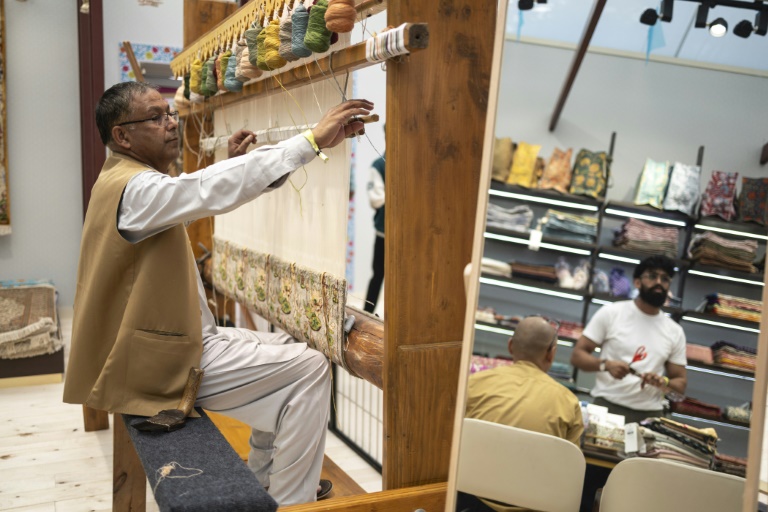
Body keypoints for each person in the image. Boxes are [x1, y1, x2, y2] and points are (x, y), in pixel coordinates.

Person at [62, 81, 373, 506]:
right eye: (156, 117)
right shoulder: (133, 189)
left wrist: (237, 165)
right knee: (309, 368)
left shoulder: (129, 182)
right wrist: (310, 142)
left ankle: (267, 485)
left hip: (168, 346)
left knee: (290, 350)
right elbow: (203, 189)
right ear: (122, 136)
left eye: (170, 112)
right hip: (152, 365)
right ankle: (292, 500)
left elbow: (200, 189)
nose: (171, 123)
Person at [460, 316, 584, 512]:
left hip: (471, 501)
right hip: (533, 505)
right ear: (551, 354)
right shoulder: (568, 402)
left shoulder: (474, 383)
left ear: (510, 346)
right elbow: (570, 469)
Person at [570, 255, 687, 424]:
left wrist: (663, 381)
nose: (659, 283)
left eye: (665, 279)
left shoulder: (675, 331)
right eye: (653, 276)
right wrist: (606, 365)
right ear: (637, 282)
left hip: (650, 415)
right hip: (606, 408)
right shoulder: (612, 313)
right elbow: (577, 356)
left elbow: (680, 383)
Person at [363, 151, 385, 313]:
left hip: (408, 235)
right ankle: (367, 314)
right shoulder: (379, 165)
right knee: (378, 275)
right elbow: (376, 200)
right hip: (384, 233)